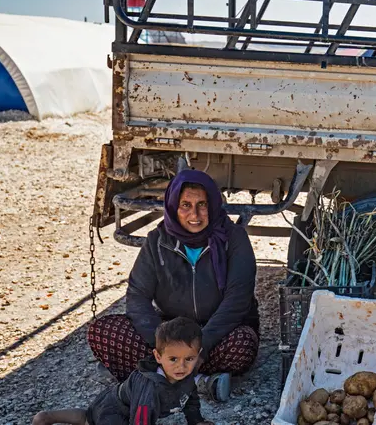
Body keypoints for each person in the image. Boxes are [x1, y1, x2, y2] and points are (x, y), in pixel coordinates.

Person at [87, 170, 259, 402]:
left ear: (214, 205)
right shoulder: (157, 241)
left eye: (202, 204)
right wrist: (164, 346)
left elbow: (237, 301)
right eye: (185, 205)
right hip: (170, 332)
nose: (195, 214)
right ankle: (198, 382)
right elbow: (137, 296)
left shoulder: (234, 238)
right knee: (103, 331)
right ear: (172, 206)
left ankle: (154, 377)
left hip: (215, 333)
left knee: (243, 343)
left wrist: (201, 348)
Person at [33, 317, 213, 425]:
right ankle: (46, 416)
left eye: (189, 359)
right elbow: (141, 421)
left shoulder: (185, 375)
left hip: (115, 403)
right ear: (158, 357)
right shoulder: (150, 387)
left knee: (89, 416)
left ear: (198, 356)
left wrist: (196, 420)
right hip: (117, 413)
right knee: (91, 419)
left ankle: (48, 417)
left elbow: (190, 399)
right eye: (173, 359)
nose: (181, 366)